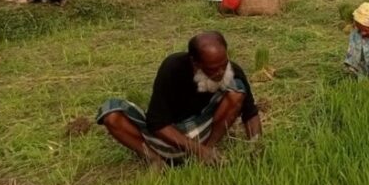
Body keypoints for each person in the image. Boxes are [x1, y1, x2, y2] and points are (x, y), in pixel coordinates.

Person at [96, 31, 262, 168]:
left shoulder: (231, 70)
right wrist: (197, 150)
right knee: (112, 115)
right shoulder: (172, 68)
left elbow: (250, 113)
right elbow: (156, 123)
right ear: (195, 63)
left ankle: (209, 150)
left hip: (202, 130)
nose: (220, 73)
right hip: (168, 134)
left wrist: (256, 146)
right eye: (213, 69)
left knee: (237, 92)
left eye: (223, 65)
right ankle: (155, 161)